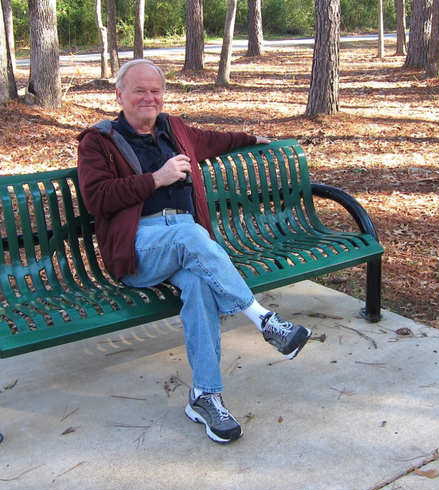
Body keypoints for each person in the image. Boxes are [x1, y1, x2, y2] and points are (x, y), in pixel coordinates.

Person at [77, 59, 311, 443]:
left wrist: (251, 138)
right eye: (139, 90)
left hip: (187, 246)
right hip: (139, 247)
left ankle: (205, 395)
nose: (149, 98)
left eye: (155, 90)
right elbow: (97, 198)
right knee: (189, 235)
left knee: (200, 284)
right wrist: (157, 179)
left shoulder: (174, 129)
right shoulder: (98, 141)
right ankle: (264, 321)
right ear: (119, 95)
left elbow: (216, 140)